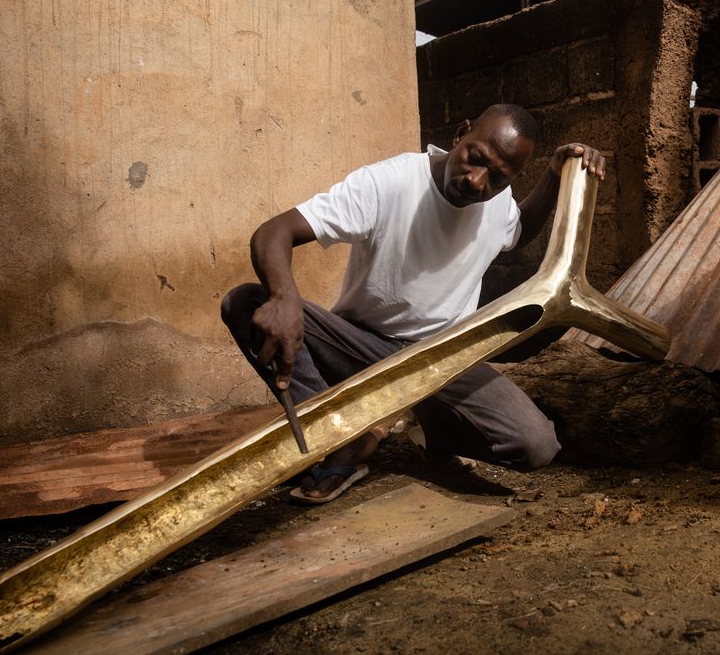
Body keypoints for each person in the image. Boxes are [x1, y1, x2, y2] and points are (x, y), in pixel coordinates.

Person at [221, 104, 605, 503]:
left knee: (535, 445)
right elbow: (276, 230)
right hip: (360, 348)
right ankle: (335, 431)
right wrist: (284, 296)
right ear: (461, 133)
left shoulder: (498, 200)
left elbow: (518, 230)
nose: (476, 181)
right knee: (246, 301)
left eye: (497, 178)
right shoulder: (390, 182)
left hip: (444, 358)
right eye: (475, 159)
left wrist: (554, 174)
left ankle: (421, 428)